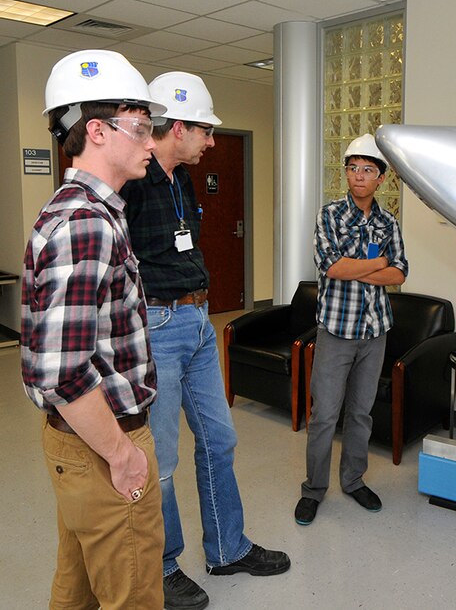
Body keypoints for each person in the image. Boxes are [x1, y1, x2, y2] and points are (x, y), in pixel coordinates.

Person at [120, 72, 290, 610]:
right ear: (175, 128)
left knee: (219, 440)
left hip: (197, 322)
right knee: (162, 460)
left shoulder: (182, 179)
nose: (212, 142)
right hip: (156, 326)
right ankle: (162, 566)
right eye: (205, 131)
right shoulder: (132, 181)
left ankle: (227, 548)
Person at [21, 49, 167, 608]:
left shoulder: (80, 210)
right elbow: (61, 372)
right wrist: (122, 455)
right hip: (105, 443)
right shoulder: (87, 225)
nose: (151, 143)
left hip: (79, 443)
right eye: (141, 127)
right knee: (132, 597)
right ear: (99, 132)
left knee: (76, 588)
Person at [294, 133, 408, 526]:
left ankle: (354, 480)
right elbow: (332, 267)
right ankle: (313, 489)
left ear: (381, 179)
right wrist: (377, 266)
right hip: (336, 331)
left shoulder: (387, 221)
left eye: (367, 170)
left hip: (375, 331)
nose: (358, 176)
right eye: (353, 169)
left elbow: (401, 272)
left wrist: (359, 266)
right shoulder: (329, 215)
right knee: (325, 414)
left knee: (360, 414)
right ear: (346, 173)